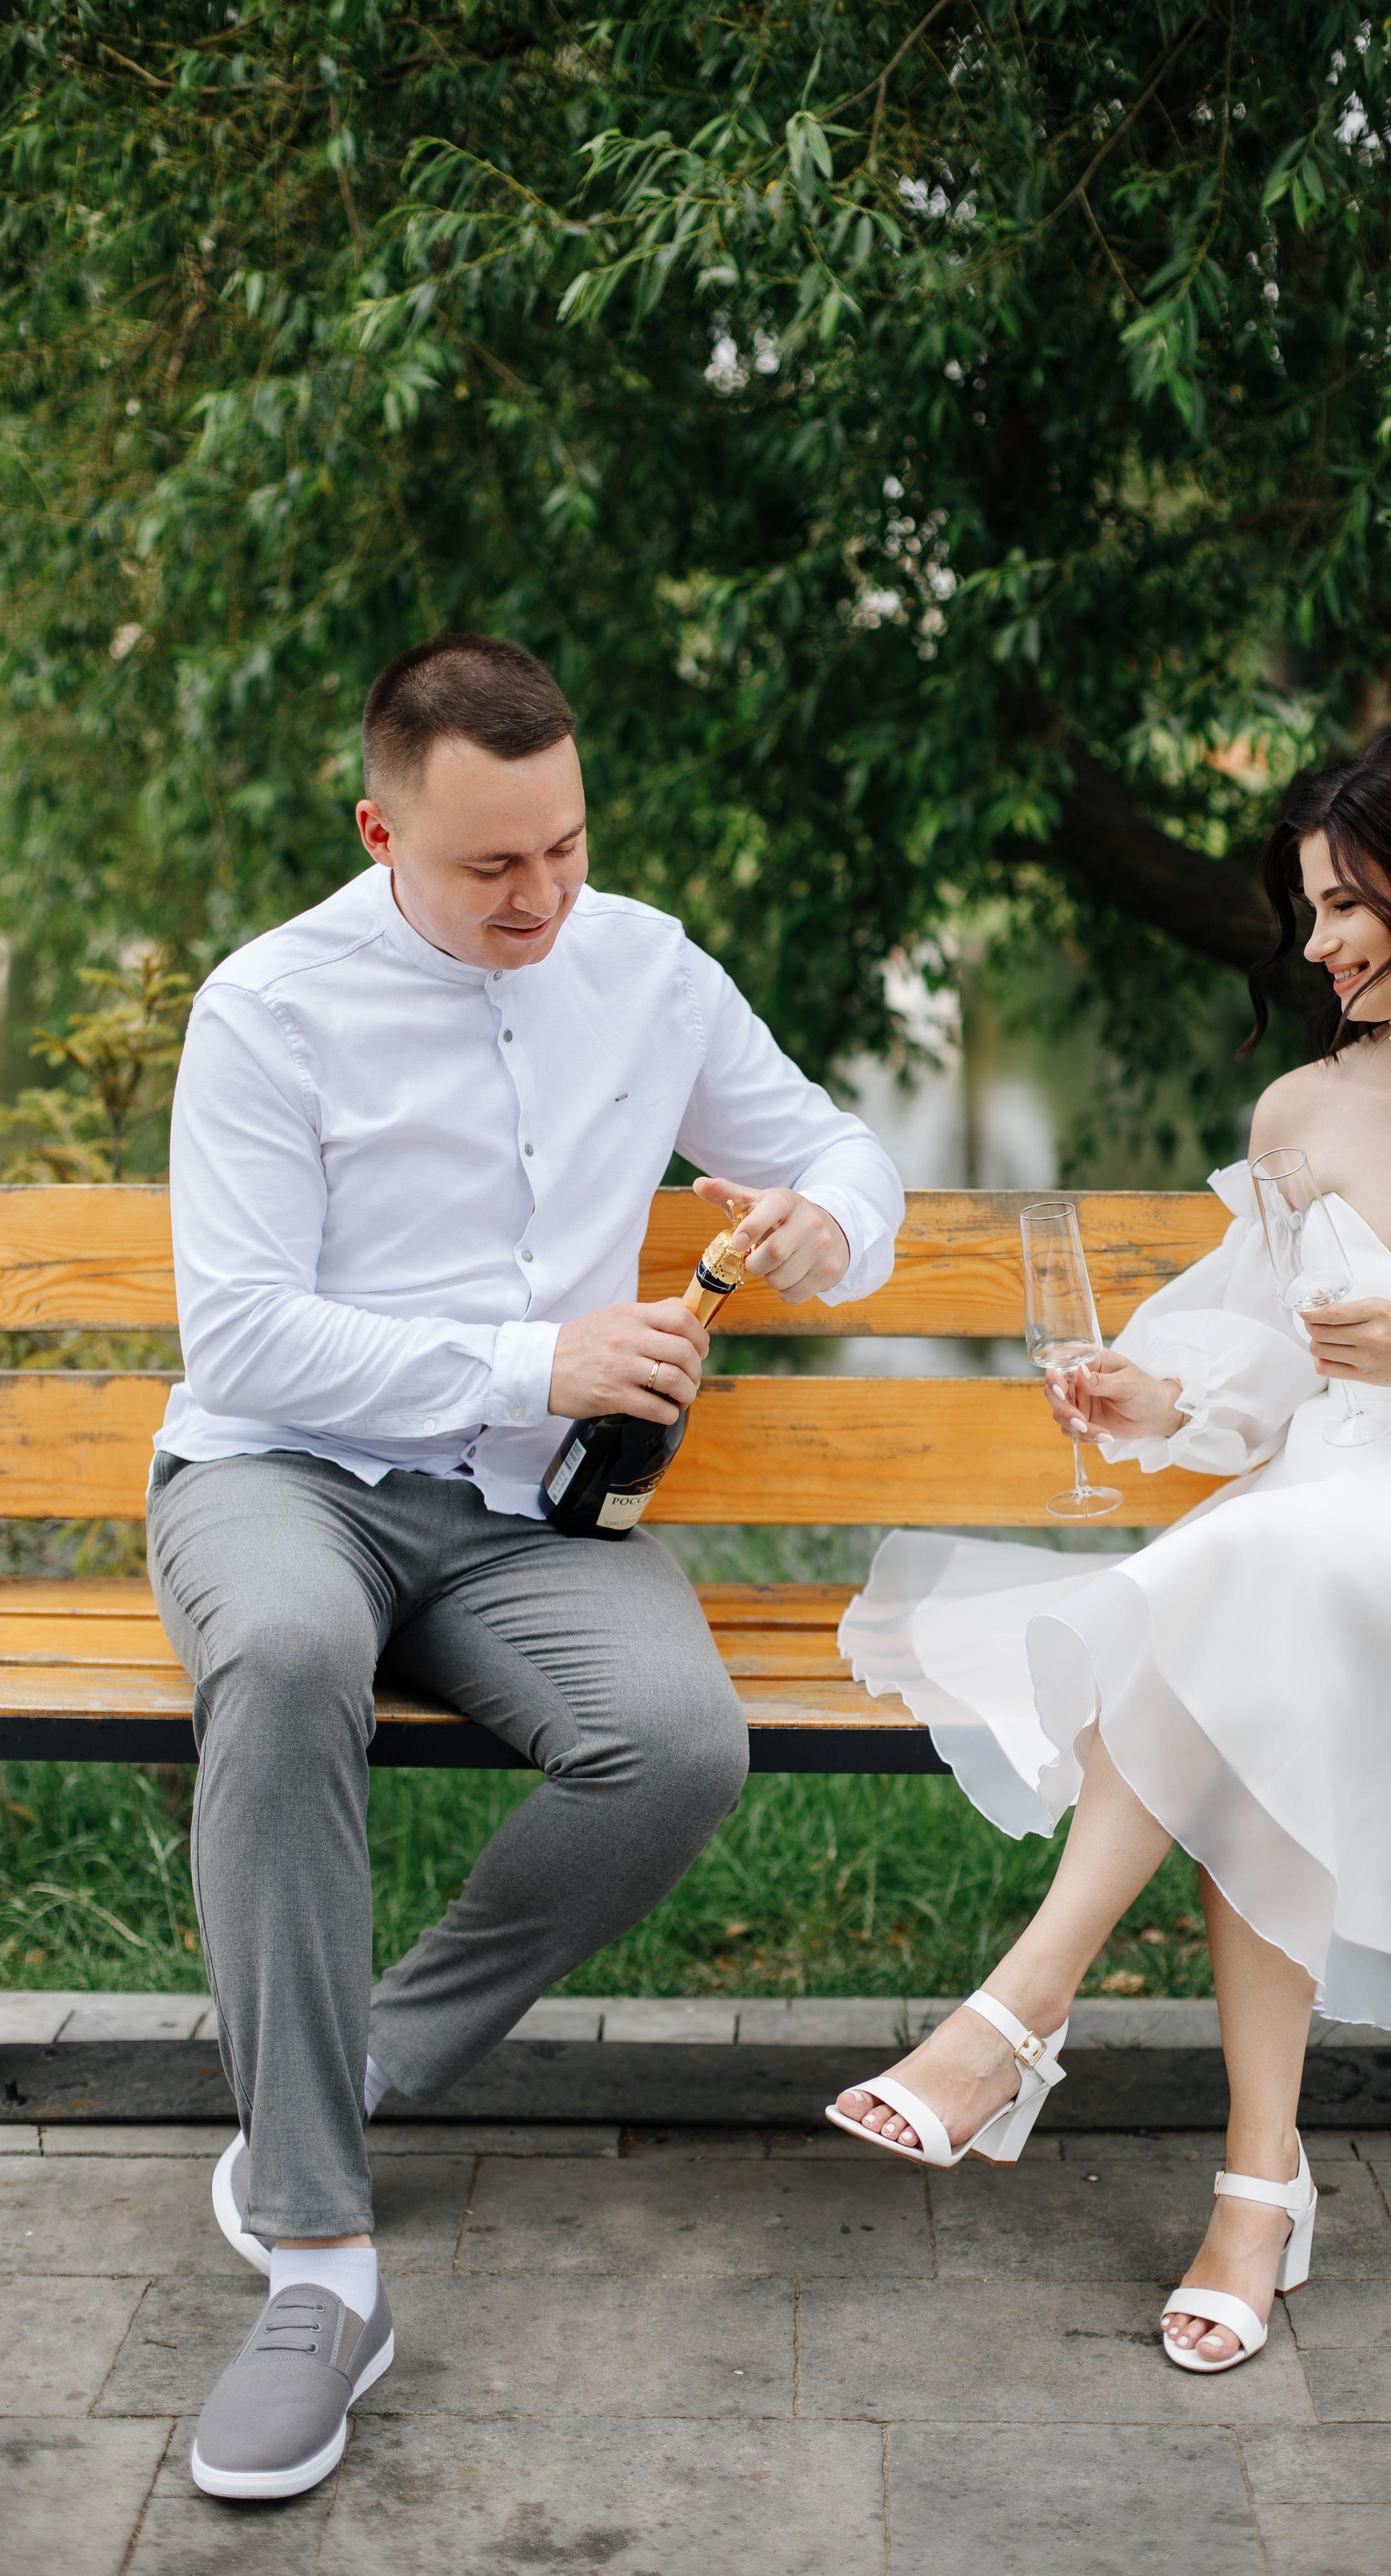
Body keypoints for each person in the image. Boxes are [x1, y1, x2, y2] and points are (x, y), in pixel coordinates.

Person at [832, 727, 1391, 2375]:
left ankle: (1020, 2012)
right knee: (1261, 1632)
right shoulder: (1302, 1105)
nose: (1311, 947)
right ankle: (1255, 2186)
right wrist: (1152, 1389)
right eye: (1305, 910)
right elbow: (1259, 1368)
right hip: (1314, 1551)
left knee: (1243, 1595)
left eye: (1341, 907)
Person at [151, 632, 903, 2498]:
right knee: (292, 1659)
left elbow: (828, 1139)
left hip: (522, 1514)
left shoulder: (642, 964)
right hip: (283, 1475)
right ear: (380, 827)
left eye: (564, 845)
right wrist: (533, 1361)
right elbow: (240, 1338)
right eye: (493, 864)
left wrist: (819, 1228)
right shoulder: (267, 1007)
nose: (543, 895)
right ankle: (323, 2266)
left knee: (679, 1743)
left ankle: (356, 2063)